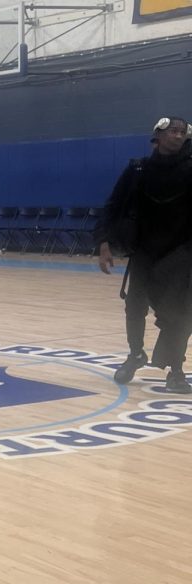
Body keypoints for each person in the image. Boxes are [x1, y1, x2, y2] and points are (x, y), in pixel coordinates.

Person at [96, 116, 192, 392]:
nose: (177, 135)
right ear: (158, 135)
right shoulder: (138, 169)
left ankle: (176, 370)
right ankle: (135, 353)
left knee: (180, 314)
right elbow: (113, 206)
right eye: (172, 131)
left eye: (182, 132)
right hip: (144, 251)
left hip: (180, 252)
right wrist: (104, 242)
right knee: (134, 307)